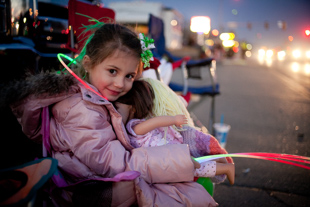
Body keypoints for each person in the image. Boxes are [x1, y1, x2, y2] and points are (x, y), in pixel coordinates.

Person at [5, 21, 219, 206]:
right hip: (90, 193)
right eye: (112, 71)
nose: (120, 84)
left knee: (194, 187)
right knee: (193, 194)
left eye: (129, 76)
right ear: (88, 64)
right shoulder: (80, 110)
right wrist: (183, 161)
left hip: (104, 181)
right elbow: (117, 164)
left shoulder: (96, 99)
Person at [116, 79, 235, 185]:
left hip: (172, 154)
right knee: (196, 164)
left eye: (117, 108)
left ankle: (226, 168)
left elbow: (156, 122)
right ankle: (218, 161)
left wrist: (173, 119)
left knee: (196, 169)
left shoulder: (134, 128)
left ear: (132, 107)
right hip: (170, 154)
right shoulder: (133, 127)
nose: (115, 112)